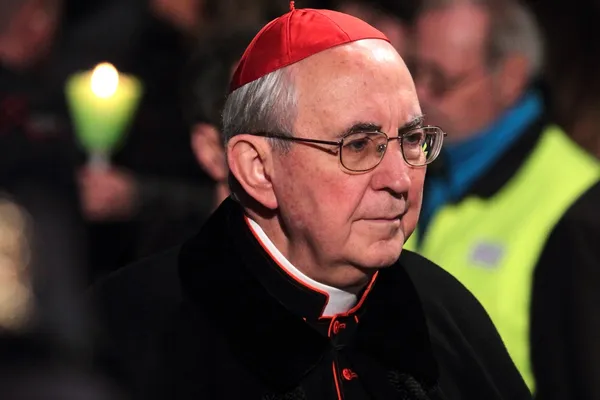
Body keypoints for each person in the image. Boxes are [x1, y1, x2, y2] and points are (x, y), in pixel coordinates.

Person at [90, 4, 531, 400]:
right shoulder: (131, 327)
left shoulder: (444, 310)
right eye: (359, 145)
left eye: (412, 140)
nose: (401, 180)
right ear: (258, 168)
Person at [406, 0, 600, 398]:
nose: (420, 96)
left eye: (441, 80)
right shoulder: (411, 163)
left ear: (510, 77)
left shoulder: (577, 208)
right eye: (413, 72)